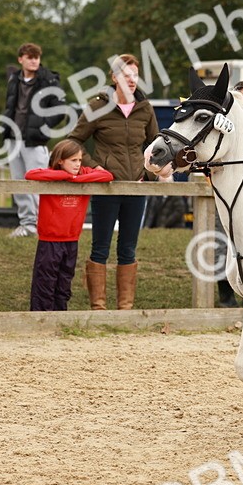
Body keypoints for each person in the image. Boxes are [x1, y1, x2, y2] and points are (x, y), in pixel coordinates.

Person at [67, 53, 168, 310]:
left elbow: (156, 145)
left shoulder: (145, 108)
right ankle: (98, 307)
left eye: (135, 75)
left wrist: (147, 174)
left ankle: (125, 308)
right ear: (114, 78)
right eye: (126, 75)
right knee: (100, 245)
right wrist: (92, 167)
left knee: (128, 247)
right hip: (105, 186)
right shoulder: (97, 106)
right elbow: (74, 140)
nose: (132, 80)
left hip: (136, 187)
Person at [25, 139, 114, 311]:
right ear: (60, 160)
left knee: (64, 281)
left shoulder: (83, 173)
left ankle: (60, 315)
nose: (77, 164)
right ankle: (41, 318)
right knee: (45, 281)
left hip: (72, 239)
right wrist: (66, 177)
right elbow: (31, 174)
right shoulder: (50, 174)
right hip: (49, 240)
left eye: (80, 160)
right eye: (73, 160)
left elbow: (107, 176)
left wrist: (77, 178)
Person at [4, 43, 64, 238]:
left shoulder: (49, 80)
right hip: (13, 139)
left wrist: (42, 128)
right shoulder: (14, 79)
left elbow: (61, 110)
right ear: (20, 59)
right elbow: (11, 106)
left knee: (39, 184)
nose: (34, 61)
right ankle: (27, 224)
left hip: (35, 141)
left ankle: (43, 224)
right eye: (30, 57)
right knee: (18, 183)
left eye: (37, 57)